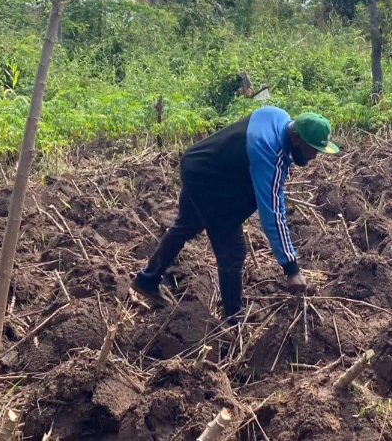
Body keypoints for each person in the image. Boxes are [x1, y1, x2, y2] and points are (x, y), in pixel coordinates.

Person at [131, 106, 339, 325]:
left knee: (187, 225)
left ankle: (147, 280)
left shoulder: (276, 115)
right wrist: (291, 268)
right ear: (296, 138)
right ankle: (233, 321)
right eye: (312, 149)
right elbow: (273, 214)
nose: (314, 156)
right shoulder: (269, 155)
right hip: (207, 179)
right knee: (233, 250)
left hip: (198, 164)